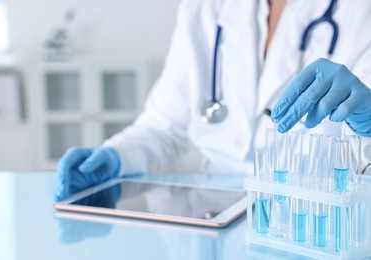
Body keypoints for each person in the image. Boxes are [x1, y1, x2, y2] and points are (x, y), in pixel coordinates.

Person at [54, 0, 371, 202]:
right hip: (208, 215)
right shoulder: (205, 7)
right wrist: (116, 155)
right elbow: (165, 126)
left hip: (311, 219)